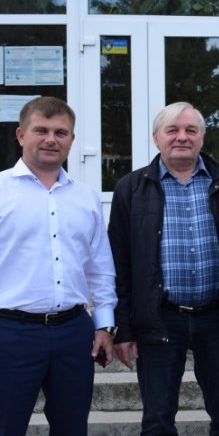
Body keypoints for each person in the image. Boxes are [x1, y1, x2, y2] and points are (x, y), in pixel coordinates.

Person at [108, 102, 219, 435]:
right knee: (157, 419)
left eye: (190, 130)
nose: (182, 137)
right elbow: (119, 264)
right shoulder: (131, 188)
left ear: (202, 137)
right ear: (156, 138)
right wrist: (123, 328)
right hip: (159, 318)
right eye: (172, 130)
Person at [0, 96, 117, 435]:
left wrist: (104, 325)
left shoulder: (86, 197)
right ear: (21, 135)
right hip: (10, 332)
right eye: (41, 130)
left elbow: (100, 267)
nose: (51, 139)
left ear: (71, 139)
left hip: (74, 333)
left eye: (60, 132)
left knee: (72, 427)